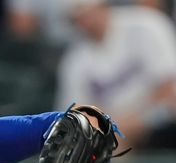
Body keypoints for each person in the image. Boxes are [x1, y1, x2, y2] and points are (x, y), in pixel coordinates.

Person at [55, 0, 176, 150]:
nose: (83, 23)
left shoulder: (145, 24)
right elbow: (78, 112)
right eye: (76, 19)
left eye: (86, 14)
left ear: (101, 7)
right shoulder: (75, 59)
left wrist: (128, 123)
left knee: (114, 138)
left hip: (163, 116)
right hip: (116, 127)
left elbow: (168, 90)